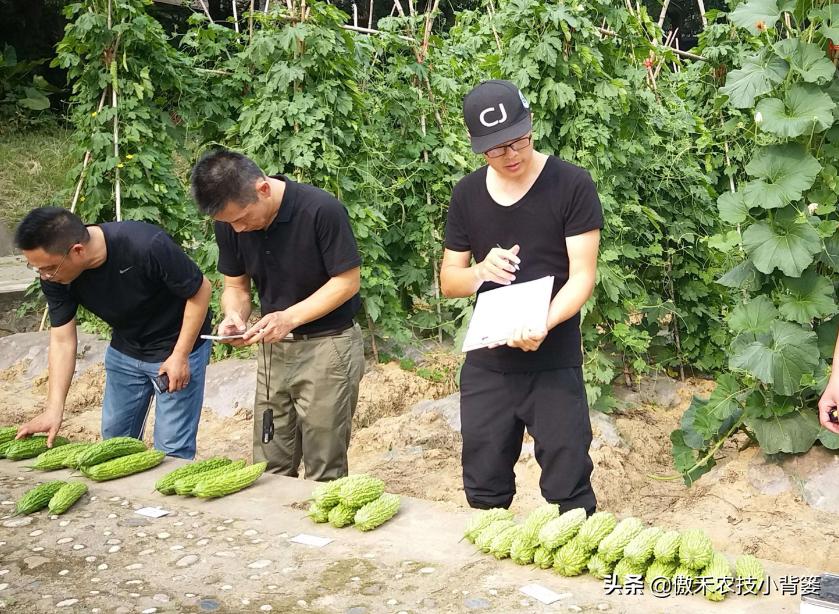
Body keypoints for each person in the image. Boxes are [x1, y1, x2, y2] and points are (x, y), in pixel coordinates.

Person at [440, 80, 603, 513]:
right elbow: (449, 282)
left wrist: (541, 324)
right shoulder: (467, 194)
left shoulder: (571, 184)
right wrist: (479, 271)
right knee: (484, 486)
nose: (511, 155)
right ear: (477, 145)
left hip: (552, 358)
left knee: (569, 487)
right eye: (496, 149)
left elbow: (582, 276)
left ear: (530, 125)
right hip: (488, 363)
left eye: (519, 141)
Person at [190, 149, 364, 481]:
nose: (238, 229)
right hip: (274, 349)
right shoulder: (230, 225)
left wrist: (289, 318)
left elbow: (347, 282)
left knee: (324, 463)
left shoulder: (320, 209)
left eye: (242, 218)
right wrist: (234, 316)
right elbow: (236, 286)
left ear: (263, 189)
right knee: (269, 460)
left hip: (328, 347)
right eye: (228, 223)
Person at [14, 207, 212, 459]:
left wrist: (181, 355)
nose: (45, 276)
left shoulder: (145, 244)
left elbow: (200, 290)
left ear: (78, 251)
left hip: (178, 346)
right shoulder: (55, 278)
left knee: (171, 448)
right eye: (38, 269)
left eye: (49, 268)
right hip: (125, 348)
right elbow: (62, 341)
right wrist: (53, 410)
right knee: (114, 441)